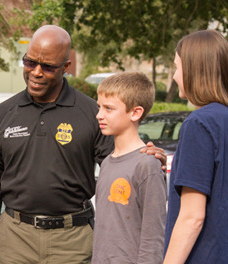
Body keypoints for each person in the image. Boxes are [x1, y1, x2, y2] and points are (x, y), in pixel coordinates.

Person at [0, 24, 166, 263]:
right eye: (29, 62)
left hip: (73, 241)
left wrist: (146, 156)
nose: (36, 72)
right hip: (15, 239)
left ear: (66, 67)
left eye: (47, 67)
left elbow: (121, 161)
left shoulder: (92, 113)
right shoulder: (1, 114)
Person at [163, 30, 228, 264]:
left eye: (177, 67)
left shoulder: (199, 123)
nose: (174, 76)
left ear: (194, 69)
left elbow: (192, 217)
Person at [92, 72, 167, 263]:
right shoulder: (107, 162)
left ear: (135, 113)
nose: (99, 115)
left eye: (109, 109)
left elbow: (154, 237)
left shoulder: (147, 164)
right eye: (99, 107)